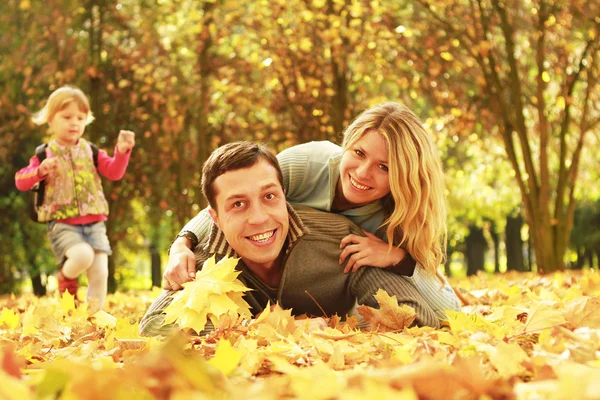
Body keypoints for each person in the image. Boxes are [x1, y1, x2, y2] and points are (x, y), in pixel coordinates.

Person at [164, 102, 457, 318]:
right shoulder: (306, 166)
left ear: (404, 175)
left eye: (384, 167)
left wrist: (397, 258)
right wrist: (182, 244)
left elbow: (450, 310)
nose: (364, 172)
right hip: (263, 278)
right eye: (359, 153)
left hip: (335, 300)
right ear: (347, 144)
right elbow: (229, 201)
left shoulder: (397, 218)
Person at [140, 141, 460, 337]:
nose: (258, 218)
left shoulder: (344, 243)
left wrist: (337, 333)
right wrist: (272, 330)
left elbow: (419, 315)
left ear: (286, 196)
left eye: (269, 196)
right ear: (216, 217)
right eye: (238, 204)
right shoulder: (204, 257)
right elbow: (155, 325)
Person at [15, 86, 135, 312]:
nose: (74, 123)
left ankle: (92, 318)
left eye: (80, 118)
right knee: (82, 255)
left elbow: (114, 172)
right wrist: (39, 171)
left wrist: (121, 152)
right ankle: (65, 279)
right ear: (50, 120)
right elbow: (20, 181)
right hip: (63, 224)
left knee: (100, 272)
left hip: (95, 222)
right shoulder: (45, 153)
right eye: (67, 117)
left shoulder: (90, 150)